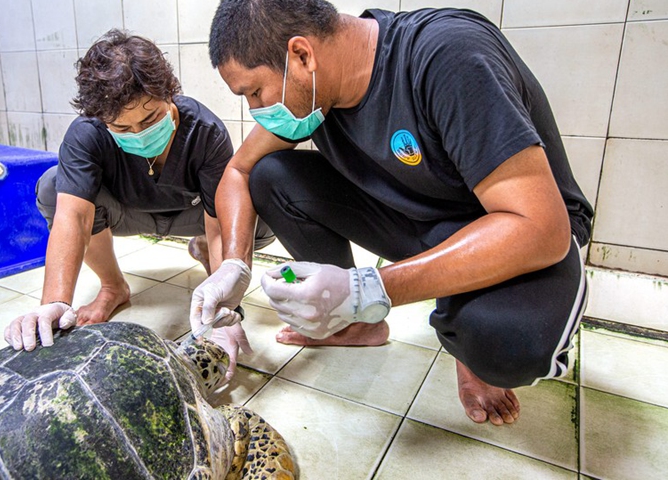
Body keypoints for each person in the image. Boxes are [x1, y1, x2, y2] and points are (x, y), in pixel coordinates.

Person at [190, 0, 593, 426]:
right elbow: (238, 170)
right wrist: (234, 264)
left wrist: (367, 288)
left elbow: (540, 227)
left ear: (302, 55)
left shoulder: (446, 55)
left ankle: (458, 320)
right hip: (418, 217)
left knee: (505, 342)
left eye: (255, 91)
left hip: (516, 230)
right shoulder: (313, 91)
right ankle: (355, 326)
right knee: (270, 175)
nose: (256, 109)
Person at [4, 29, 274, 379]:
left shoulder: (205, 131)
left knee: (254, 215)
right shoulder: (86, 135)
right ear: (102, 121)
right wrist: (55, 302)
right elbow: (73, 217)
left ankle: (209, 260)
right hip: (124, 215)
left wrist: (227, 309)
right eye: (121, 127)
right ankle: (113, 287)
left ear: (169, 95)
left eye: (149, 120)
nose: (138, 134)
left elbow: (221, 220)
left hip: (190, 215)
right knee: (54, 186)